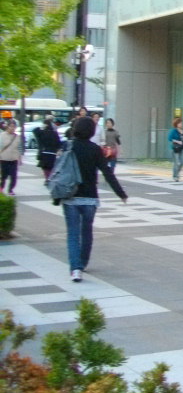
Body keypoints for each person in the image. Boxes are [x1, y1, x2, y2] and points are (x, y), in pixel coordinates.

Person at [60, 116, 129, 282]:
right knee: (87, 232)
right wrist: (121, 193)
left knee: (73, 234)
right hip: (90, 198)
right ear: (91, 131)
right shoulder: (95, 149)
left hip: (70, 196)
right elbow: (107, 173)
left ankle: (76, 269)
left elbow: (59, 169)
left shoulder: (68, 146)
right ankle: (83, 263)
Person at [34, 117, 62, 181]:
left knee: (45, 167)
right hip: (52, 153)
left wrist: (41, 127)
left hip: (44, 152)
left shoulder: (42, 132)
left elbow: (35, 131)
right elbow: (58, 143)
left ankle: (47, 178)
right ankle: (49, 178)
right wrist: (58, 150)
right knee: (51, 167)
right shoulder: (54, 133)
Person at [0, 119, 21, 195]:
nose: (12, 128)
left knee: (14, 176)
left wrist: (20, 158)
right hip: (4, 159)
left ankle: (10, 189)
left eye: (14, 127)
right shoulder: (2, 135)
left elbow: (19, 148)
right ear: (7, 126)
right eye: (11, 126)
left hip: (14, 159)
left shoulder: (17, 137)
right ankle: (1, 188)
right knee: (4, 176)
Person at [168, 117, 183, 182]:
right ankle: (175, 176)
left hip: (182, 149)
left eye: (181, 123)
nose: (181, 124)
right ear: (176, 124)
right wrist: (177, 141)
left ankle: (177, 173)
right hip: (175, 149)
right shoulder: (173, 131)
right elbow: (170, 138)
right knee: (176, 163)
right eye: (179, 123)